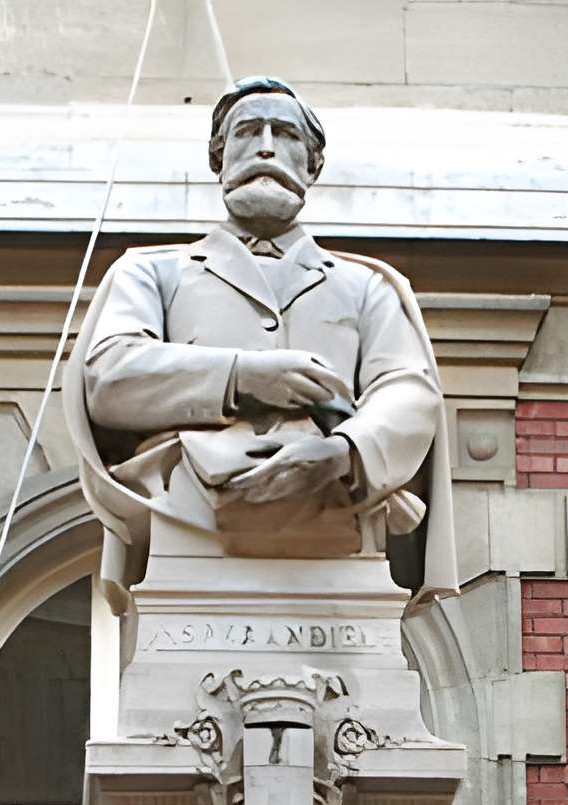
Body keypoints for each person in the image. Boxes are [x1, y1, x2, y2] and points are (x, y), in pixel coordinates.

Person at [64, 74, 456, 606]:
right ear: (218, 157)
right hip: (191, 514)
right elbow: (109, 376)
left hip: (335, 515)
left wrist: (344, 453)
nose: (267, 145)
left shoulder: (366, 285)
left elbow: (409, 391)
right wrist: (244, 377)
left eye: (287, 135)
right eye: (248, 131)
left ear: (313, 164)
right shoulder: (152, 271)